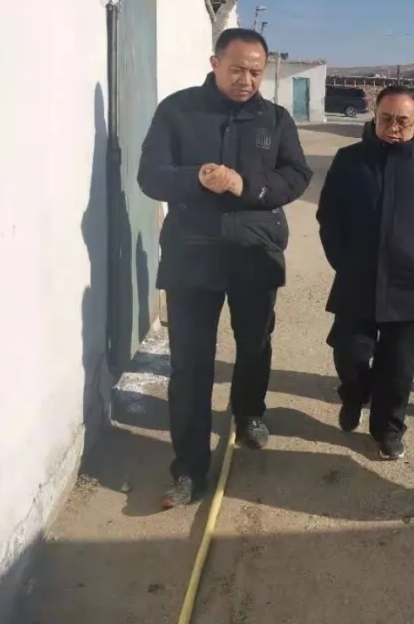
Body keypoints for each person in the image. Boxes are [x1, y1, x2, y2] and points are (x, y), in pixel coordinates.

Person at [137, 27, 313, 508]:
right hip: (192, 256)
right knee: (190, 364)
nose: (246, 80)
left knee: (254, 343)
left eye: (256, 71)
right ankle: (188, 468)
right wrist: (196, 177)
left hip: (255, 253)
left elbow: (297, 175)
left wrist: (245, 186)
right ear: (214, 63)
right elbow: (150, 176)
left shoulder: (274, 119)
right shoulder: (178, 111)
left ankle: (249, 412)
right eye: (237, 69)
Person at [316, 85, 414, 460]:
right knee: (349, 353)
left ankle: (388, 429)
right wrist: (342, 259)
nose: (394, 127)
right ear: (374, 118)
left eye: (402, 121)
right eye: (386, 119)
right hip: (357, 278)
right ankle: (354, 394)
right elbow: (329, 215)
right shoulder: (349, 160)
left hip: (408, 283)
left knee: (398, 367)